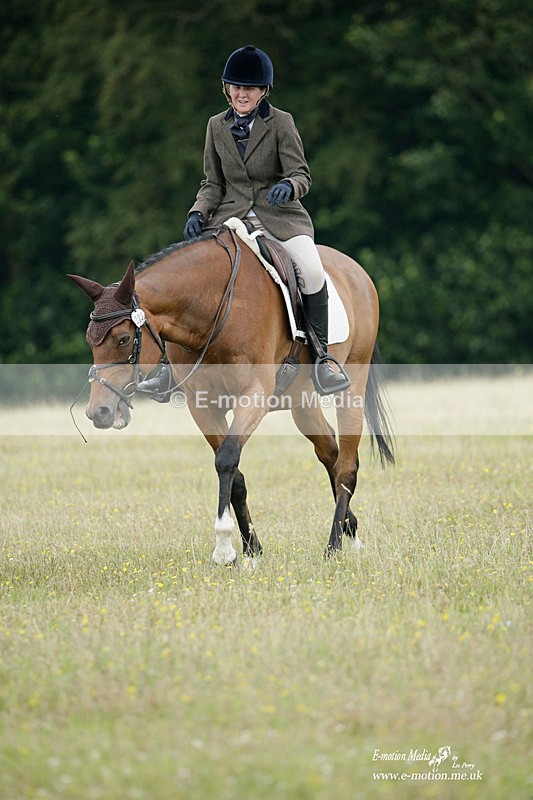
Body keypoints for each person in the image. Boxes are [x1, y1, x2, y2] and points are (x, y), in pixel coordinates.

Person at [138, 45, 349, 396]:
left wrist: (287, 186)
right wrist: (197, 212)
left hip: (279, 219)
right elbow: (212, 183)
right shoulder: (215, 126)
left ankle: (323, 359)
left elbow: (301, 174)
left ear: (263, 91)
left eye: (248, 88)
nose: (241, 93)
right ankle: (169, 367)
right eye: (235, 87)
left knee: (311, 271)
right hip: (229, 220)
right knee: (190, 279)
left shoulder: (281, 123)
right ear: (227, 89)